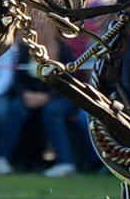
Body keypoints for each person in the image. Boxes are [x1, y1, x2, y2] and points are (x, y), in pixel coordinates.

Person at [18, 22, 94, 176]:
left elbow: (68, 81)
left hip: (63, 96)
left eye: (44, 27)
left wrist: (47, 97)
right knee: (15, 109)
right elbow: (17, 78)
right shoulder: (26, 51)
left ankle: (65, 162)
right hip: (30, 96)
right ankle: (7, 160)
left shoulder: (65, 50)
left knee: (52, 111)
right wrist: (26, 94)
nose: (40, 31)